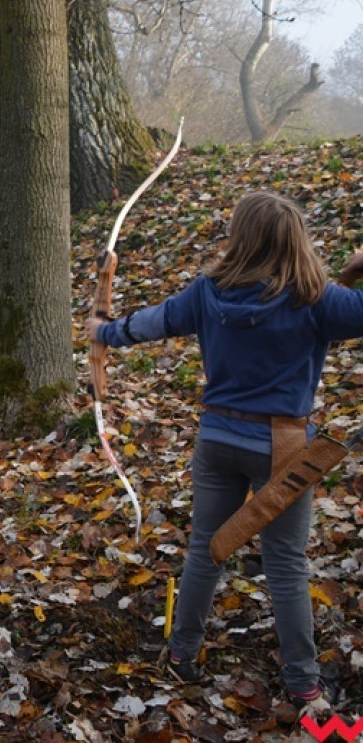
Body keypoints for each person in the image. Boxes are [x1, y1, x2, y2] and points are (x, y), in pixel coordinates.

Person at [86, 190, 363, 718]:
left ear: (241, 238)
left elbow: (152, 323)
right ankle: (304, 687)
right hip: (282, 448)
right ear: (296, 241)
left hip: (217, 441)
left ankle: (182, 653)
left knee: (205, 551)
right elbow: (320, 311)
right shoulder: (317, 298)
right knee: (284, 566)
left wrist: (105, 332)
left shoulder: (208, 292)